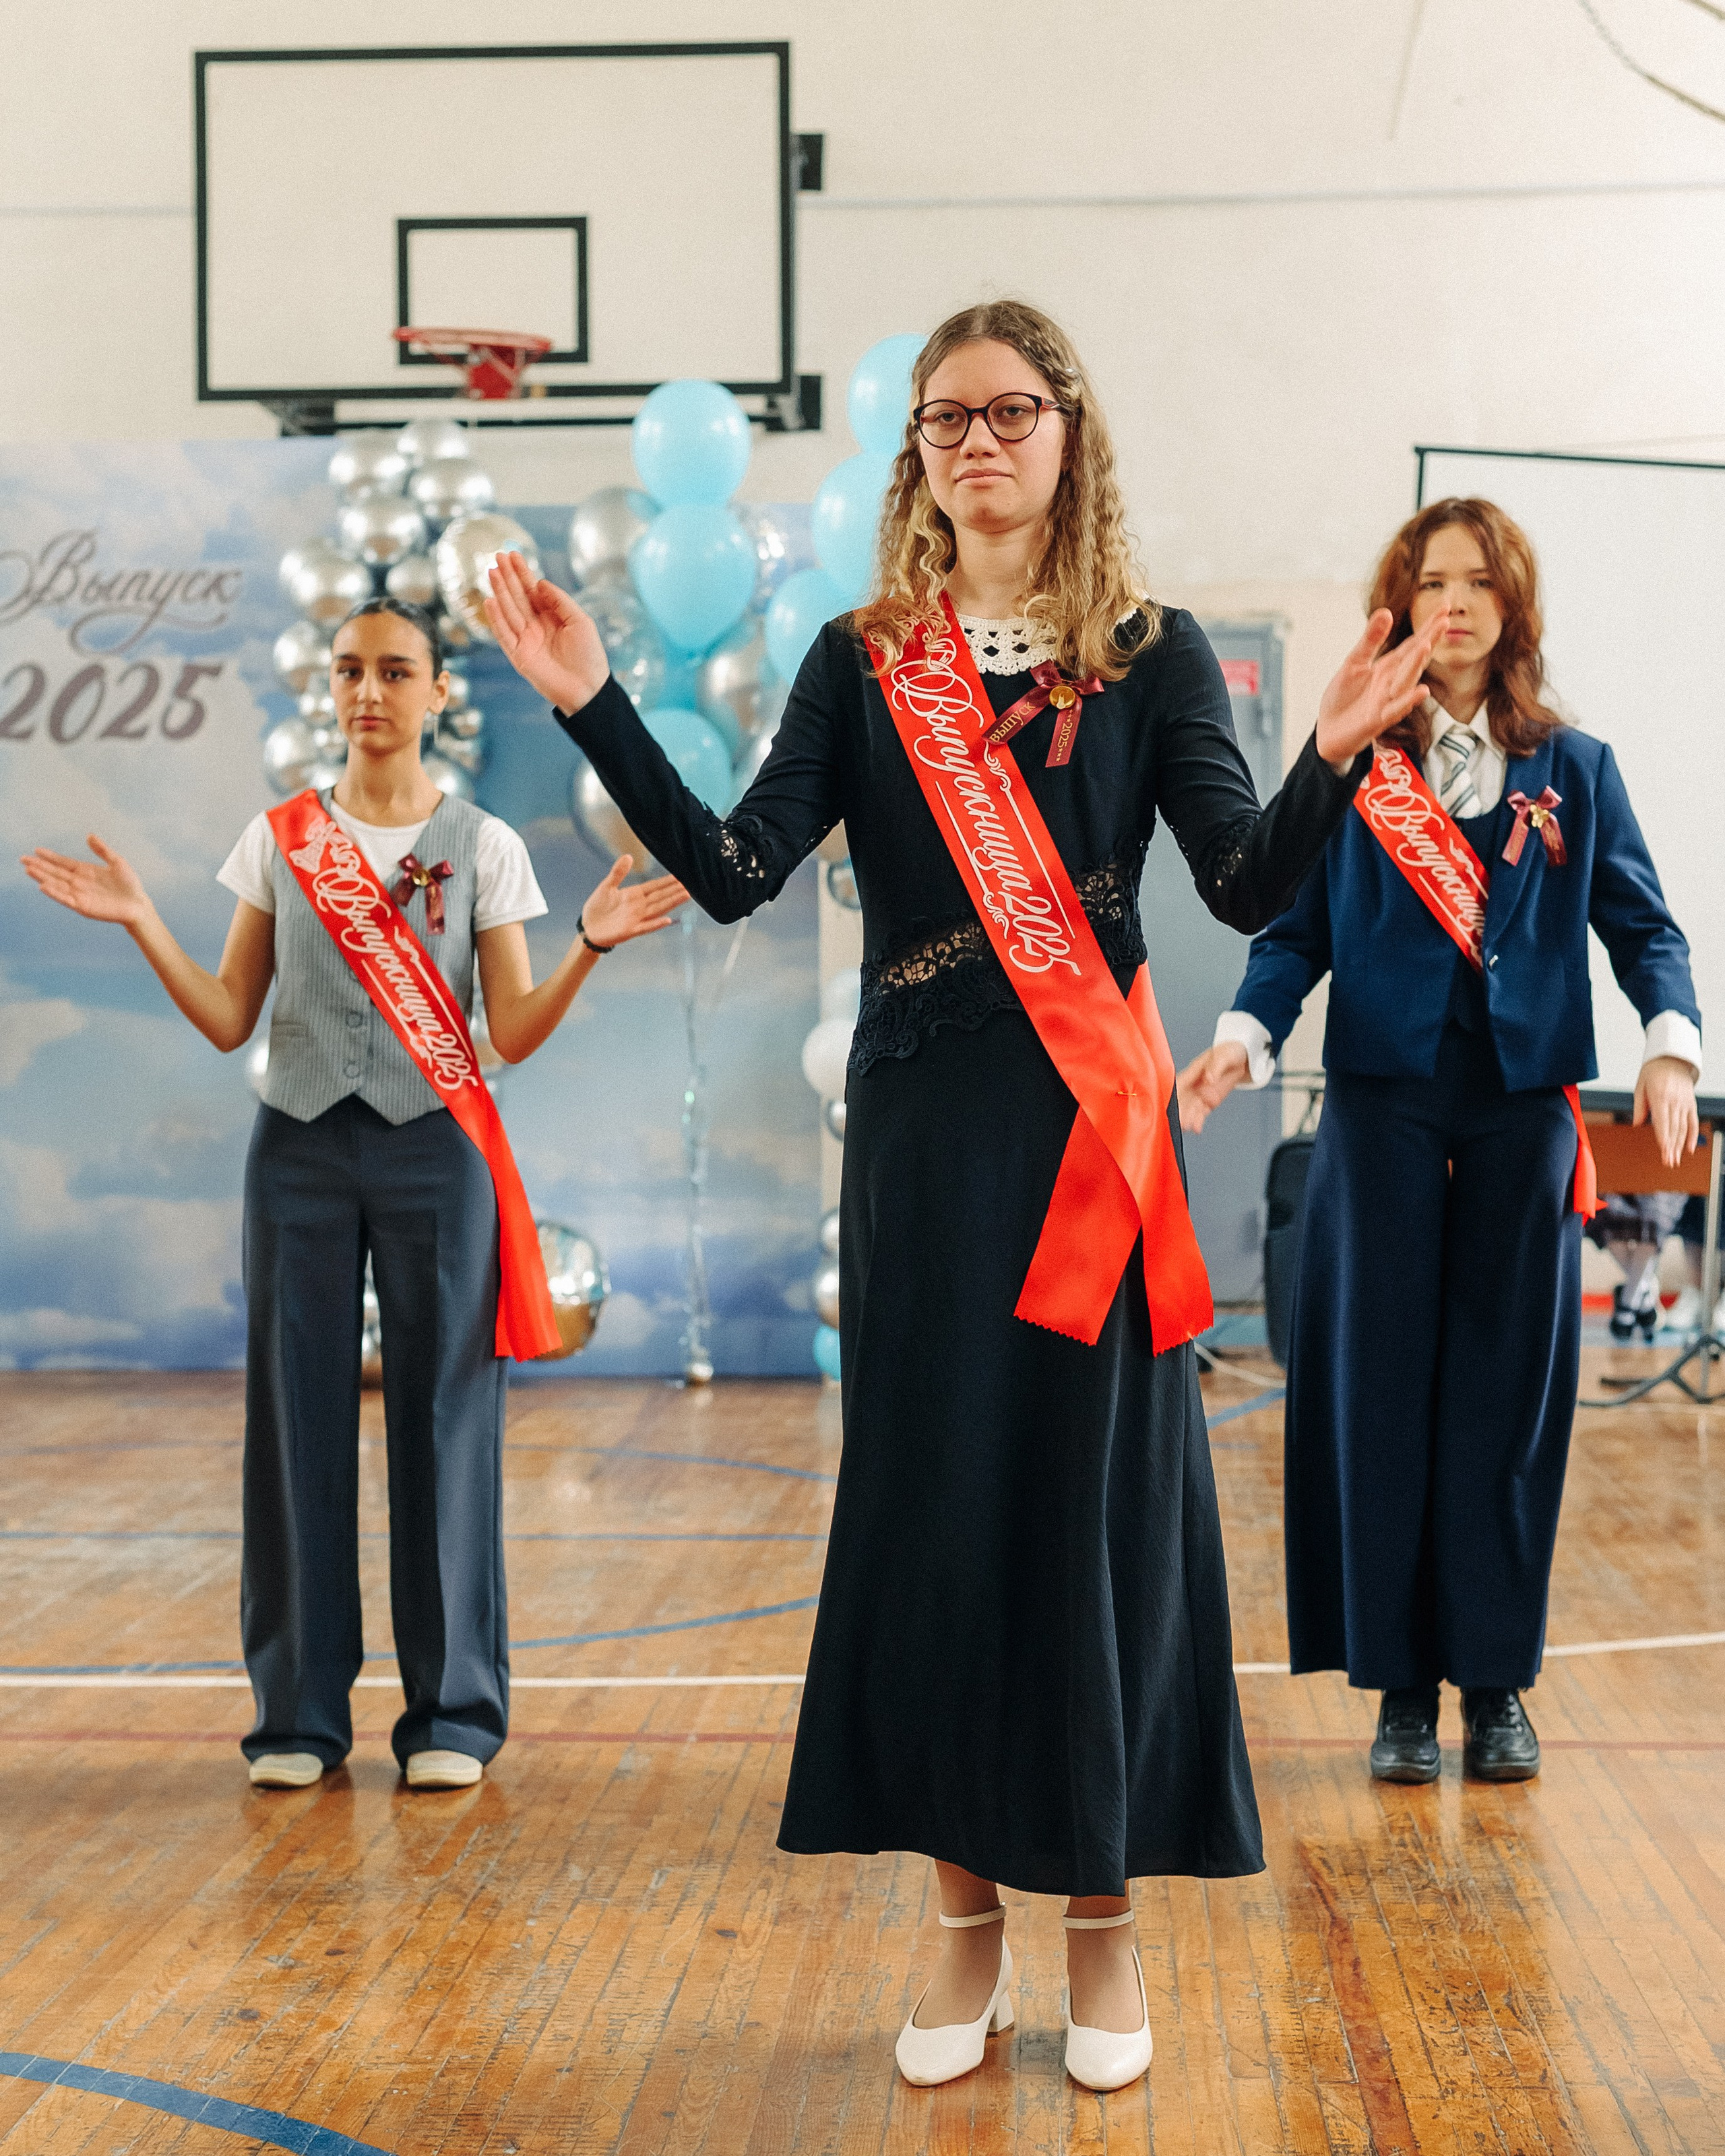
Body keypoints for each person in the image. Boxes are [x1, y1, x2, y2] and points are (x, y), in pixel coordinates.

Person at [484, 300, 1440, 2093]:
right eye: (945, 419)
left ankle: (1102, 1925)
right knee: (934, 1520)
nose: (977, 441)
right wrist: (594, 708)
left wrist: (1327, 760)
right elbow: (737, 868)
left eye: (1011, 410)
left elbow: (1240, 888)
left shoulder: (1150, 660)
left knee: (1093, 1518)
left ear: (1069, 432)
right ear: (918, 454)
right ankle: (959, 1929)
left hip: (1094, 1135)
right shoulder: (864, 661)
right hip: (927, 1147)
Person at [22, 596, 686, 1794]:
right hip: (298, 1151)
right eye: (348, 671)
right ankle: (296, 1717)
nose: (369, 691)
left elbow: (513, 1035)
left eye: (395, 671)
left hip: (441, 1153)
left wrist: (585, 944)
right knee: (294, 1424)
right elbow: (232, 1017)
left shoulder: (484, 844)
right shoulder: (278, 838)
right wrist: (139, 924)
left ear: (440, 695)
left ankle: (453, 1717)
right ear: (327, 692)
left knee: (445, 1421)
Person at [1178, 498, 1701, 1786]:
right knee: (1378, 1394)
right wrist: (1243, 1040)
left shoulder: (1575, 768)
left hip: (1522, 1109)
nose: (1453, 604)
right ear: (1399, 607)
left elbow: (1645, 928)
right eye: (1430, 584)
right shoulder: (1357, 764)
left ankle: (1497, 1686)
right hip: (1383, 1105)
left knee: (1506, 1401)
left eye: (1477, 583)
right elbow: (1292, 937)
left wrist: (1672, 1040)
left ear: (1511, 604)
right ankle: (1401, 1692)